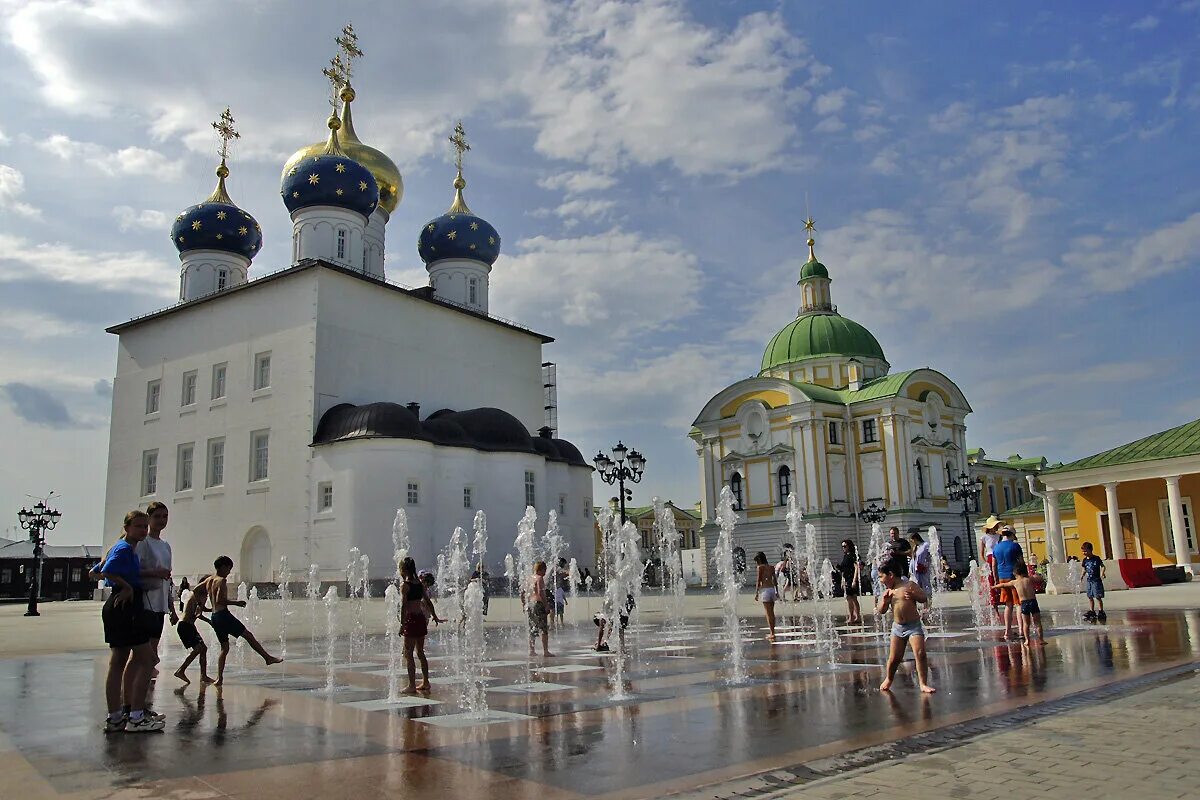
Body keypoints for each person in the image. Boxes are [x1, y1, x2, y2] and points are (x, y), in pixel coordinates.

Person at [94, 510, 163, 732]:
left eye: (145, 526)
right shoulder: (124, 548)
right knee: (148, 659)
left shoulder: (119, 547)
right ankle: (135, 716)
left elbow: (94, 572)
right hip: (126, 607)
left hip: (116, 606)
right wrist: (127, 587)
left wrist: (122, 583)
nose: (143, 530)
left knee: (118, 661)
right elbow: (106, 570)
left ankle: (115, 717)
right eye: (139, 526)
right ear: (127, 527)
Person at [202, 556, 282, 686]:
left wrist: (202, 607)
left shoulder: (209, 580)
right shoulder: (221, 580)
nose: (229, 572)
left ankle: (219, 678)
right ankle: (267, 658)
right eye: (229, 568)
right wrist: (236, 602)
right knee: (248, 635)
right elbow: (219, 600)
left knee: (224, 648)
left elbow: (197, 591)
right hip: (223, 616)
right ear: (223, 567)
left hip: (215, 616)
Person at [876, 558, 935, 694]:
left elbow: (923, 598)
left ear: (890, 575)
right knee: (894, 658)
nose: (880, 580)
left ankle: (923, 683)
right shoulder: (888, 592)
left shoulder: (909, 585)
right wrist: (885, 602)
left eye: (881, 576)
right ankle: (889, 678)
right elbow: (881, 610)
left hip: (913, 626)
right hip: (898, 628)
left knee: (920, 653)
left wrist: (914, 595)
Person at [136, 501, 177, 683]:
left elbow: (167, 578)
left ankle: (144, 700)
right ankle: (135, 703)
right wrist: (155, 572)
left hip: (159, 605)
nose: (162, 520)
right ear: (149, 518)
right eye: (157, 516)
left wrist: (172, 608)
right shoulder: (143, 543)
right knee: (142, 656)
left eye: (165, 516)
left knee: (152, 653)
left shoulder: (165, 545)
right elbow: (133, 570)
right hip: (145, 603)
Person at [399, 557, 442, 693]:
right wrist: (435, 616)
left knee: (408, 653)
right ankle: (425, 681)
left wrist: (402, 624)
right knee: (421, 652)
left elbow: (404, 607)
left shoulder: (405, 585)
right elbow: (428, 602)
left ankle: (411, 685)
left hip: (411, 619)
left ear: (404, 570)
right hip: (421, 619)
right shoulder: (419, 584)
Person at [174, 579, 214, 684]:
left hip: (188, 626)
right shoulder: (197, 595)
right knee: (198, 649)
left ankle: (203, 676)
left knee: (203, 649)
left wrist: (214, 609)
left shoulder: (200, 596)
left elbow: (202, 609)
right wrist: (209, 621)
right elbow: (198, 614)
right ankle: (181, 671)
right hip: (185, 626)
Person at [994, 562, 1044, 644]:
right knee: (1037, 622)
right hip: (1033, 602)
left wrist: (994, 587)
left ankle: (1027, 640)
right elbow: (1039, 578)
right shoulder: (1029, 579)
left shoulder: (1015, 582)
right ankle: (1041, 640)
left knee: (1026, 624)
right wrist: (1037, 575)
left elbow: (1003, 585)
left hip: (1024, 604)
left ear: (1015, 573)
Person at [991, 528, 1024, 641]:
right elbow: (1021, 562)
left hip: (1002, 578)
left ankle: (1007, 631)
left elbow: (994, 565)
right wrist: (1025, 577)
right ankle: (1021, 630)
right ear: (1012, 534)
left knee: (1008, 604)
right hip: (1014, 576)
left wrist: (996, 579)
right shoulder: (1015, 546)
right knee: (1018, 604)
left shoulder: (996, 547)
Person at [524, 561, 554, 657]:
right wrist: (546, 605)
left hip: (530, 604)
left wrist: (524, 604)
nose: (545, 572)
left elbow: (523, 593)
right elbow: (541, 593)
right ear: (541, 569)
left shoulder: (529, 579)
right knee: (543, 628)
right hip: (538, 604)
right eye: (544, 570)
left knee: (532, 628)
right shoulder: (540, 578)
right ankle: (546, 651)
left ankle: (531, 650)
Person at [753, 551, 779, 640]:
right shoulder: (771, 567)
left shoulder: (760, 567)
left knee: (768, 613)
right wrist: (777, 592)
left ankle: (772, 633)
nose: (756, 563)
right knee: (772, 612)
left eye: (757, 561)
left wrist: (756, 592)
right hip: (772, 590)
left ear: (759, 559)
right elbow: (775, 580)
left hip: (765, 591)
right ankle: (773, 632)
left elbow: (758, 580)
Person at [1081, 542, 1107, 622]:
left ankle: (1101, 611)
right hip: (1089, 581)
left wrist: (1102, 574)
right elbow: (1084, 569)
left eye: (1085, 551)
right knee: (1090, 596)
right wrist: (1082, 575)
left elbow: (1103, 566)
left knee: (1098, 596)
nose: (1084, 553)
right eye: (1083, 551)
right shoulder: (1085, 560)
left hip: (1096, 580)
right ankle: (1092, 611)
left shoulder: (1096, 558)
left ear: (1090, 550)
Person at [980, 516, 1002, 606]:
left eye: (997, 526)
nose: (996, 527)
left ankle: (1001, 597)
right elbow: (981, 553)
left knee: (1000, 577)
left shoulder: (999, 536)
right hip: (989, 557)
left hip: (999, 557)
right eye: (995, 526)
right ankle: (993, 601)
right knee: (991, 579)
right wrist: (986, 562)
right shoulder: (984, 537)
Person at [839, 540, 863, 624]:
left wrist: (854, 580)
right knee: (850, 598)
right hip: (846, 579)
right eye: (842, 546)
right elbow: (843, 570)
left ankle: (854, 616)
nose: (843, 548)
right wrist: (842, 580)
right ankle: (853, 616)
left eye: (845, 546)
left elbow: (857, 568)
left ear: (849, 546)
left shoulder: (853, 555)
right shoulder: (845, 556)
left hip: (851, 579)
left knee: (852, 598)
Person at [909, 532, 932, 610]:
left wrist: (926, 564)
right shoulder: (916, 547)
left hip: (922, 570)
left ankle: (927, 606)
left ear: (915, 539)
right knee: (916, 588)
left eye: (912, 540)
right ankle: (919, 607)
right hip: (915, 571)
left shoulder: (925, 545)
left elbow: (930, 556)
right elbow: (913, 560)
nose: (912, 542)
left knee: (925, 587)